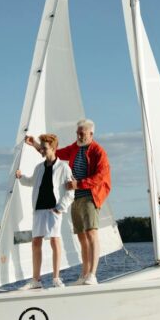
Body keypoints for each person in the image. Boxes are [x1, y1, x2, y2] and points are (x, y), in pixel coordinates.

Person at [26, 118, 110, 285]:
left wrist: (79, 183)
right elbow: (54, 152)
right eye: (78, 133)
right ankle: (84, 274)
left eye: (82, 133)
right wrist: (36, 145)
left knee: (91, 233)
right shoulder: (74, 148)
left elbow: (101, 176)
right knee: (81, 236)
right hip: (75, 196)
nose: (79, 135)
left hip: (90, 195)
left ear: (91, 134)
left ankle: (92, 274)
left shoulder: (98, 151)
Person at [15, 133, 74, 289]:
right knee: (36, 242)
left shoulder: (63, 167)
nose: (42, 150)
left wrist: (61, 207)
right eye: (41, 147)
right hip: (39, 209)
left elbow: (70, 191)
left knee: (55, 241)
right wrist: (20, 177)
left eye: (45, 148)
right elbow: (31, 182)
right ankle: (36, 280)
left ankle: (56, 278)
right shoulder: (39, 167)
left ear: (53, 148)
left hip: (54, 209)